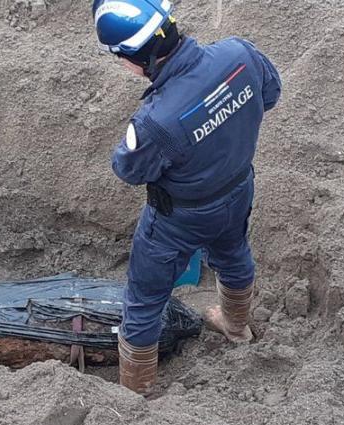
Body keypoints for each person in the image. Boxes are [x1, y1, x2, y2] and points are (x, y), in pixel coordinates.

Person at [92, 0, 282, 395]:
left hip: (178, 218)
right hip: (237, 189)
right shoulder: (239, 53)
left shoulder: (154, 121)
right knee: (233, 256)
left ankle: (136, 391)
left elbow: (130, 170)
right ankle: (237, 328)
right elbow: (270, 94)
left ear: (134, 56)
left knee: (145, 300)